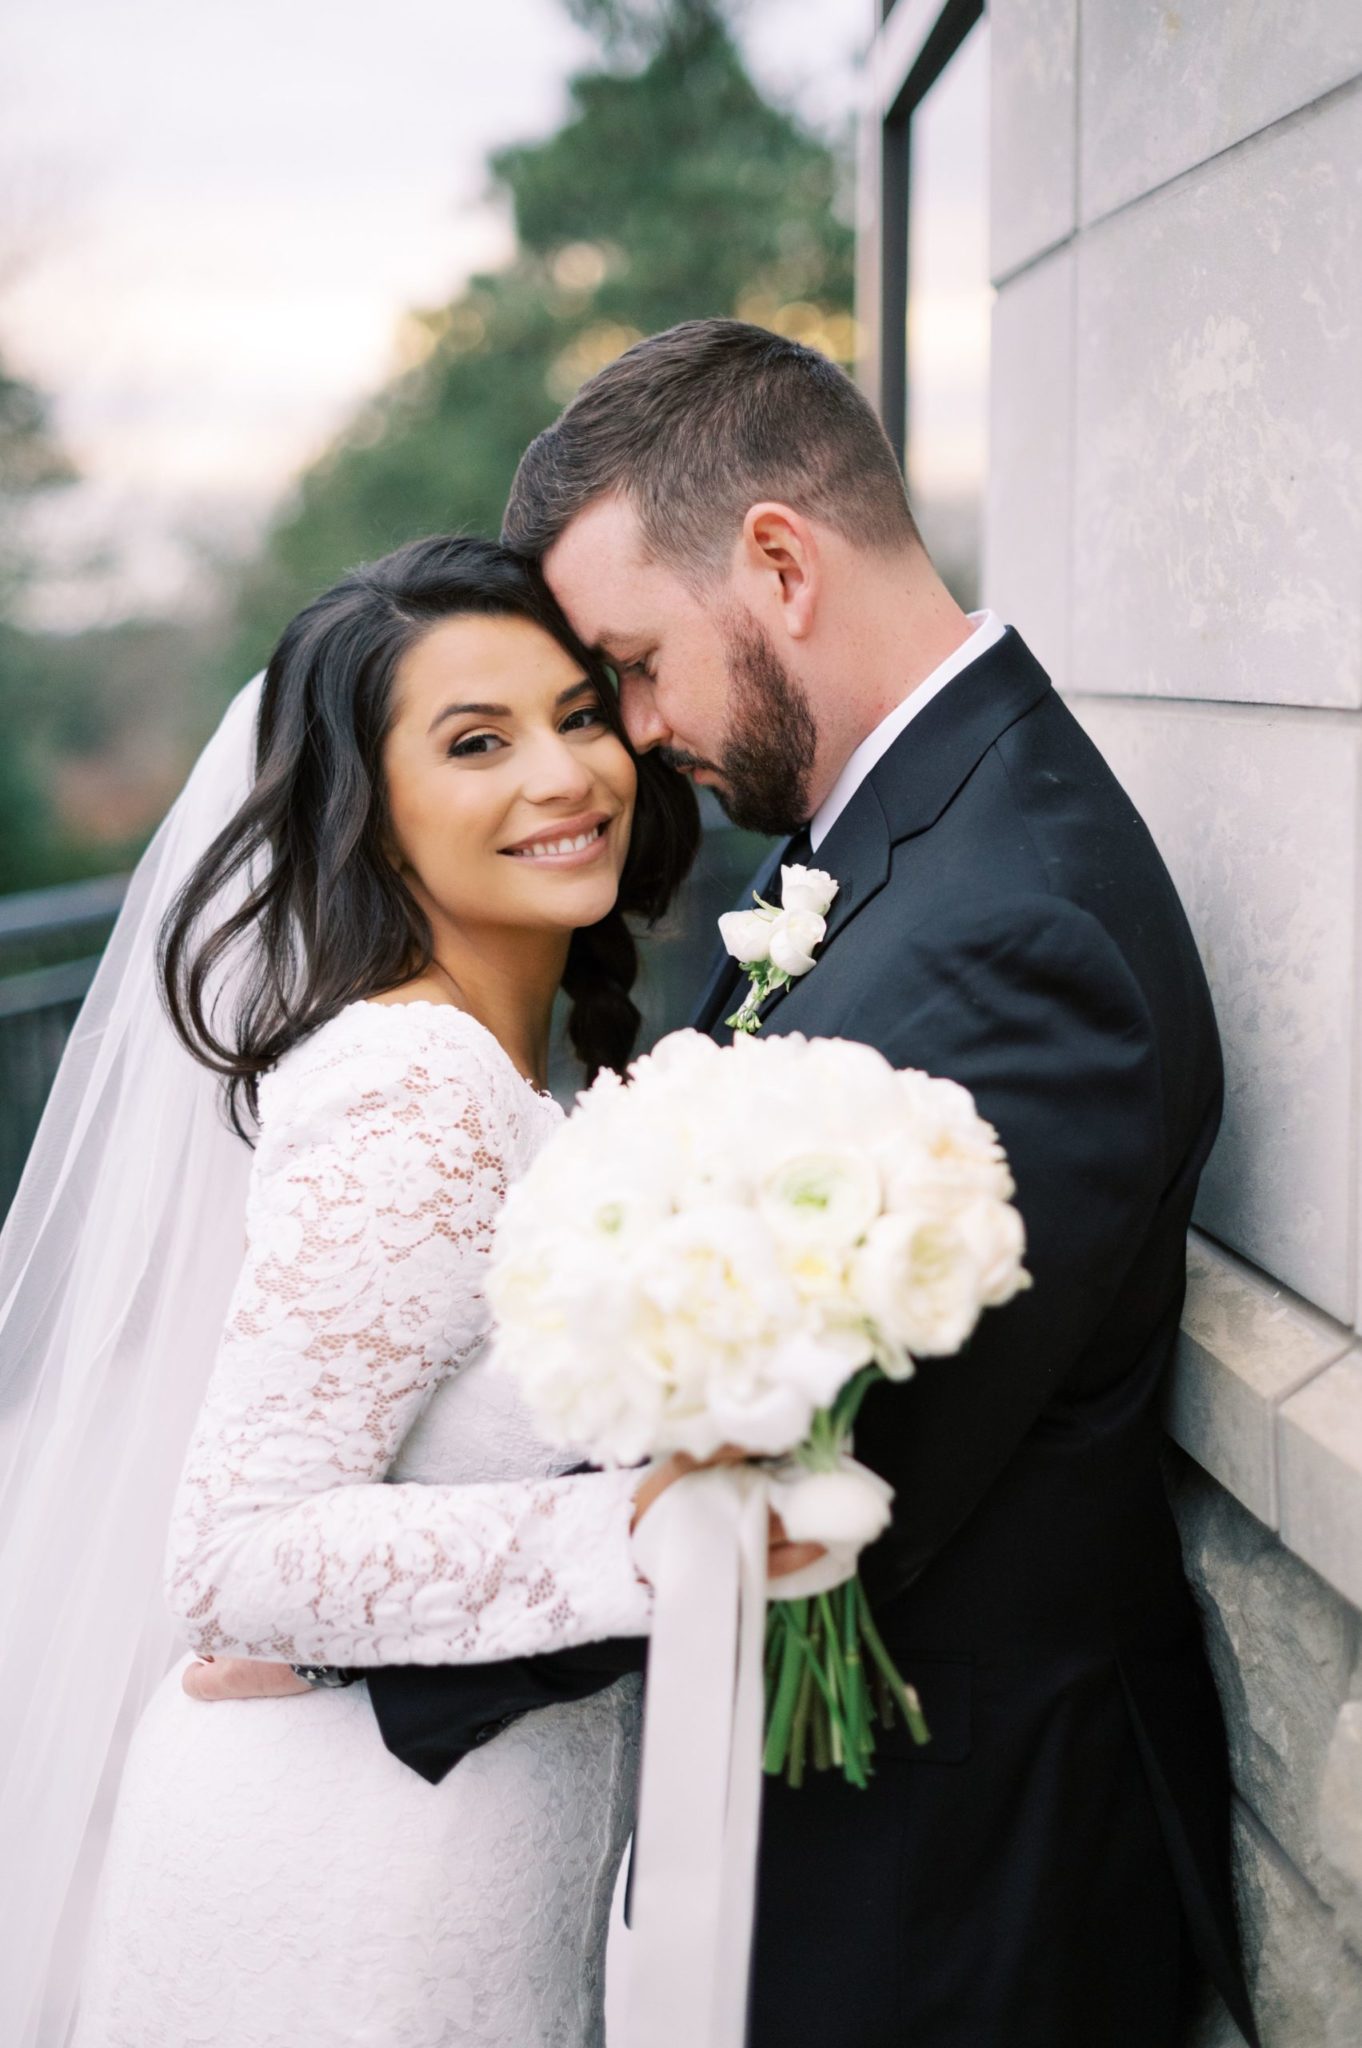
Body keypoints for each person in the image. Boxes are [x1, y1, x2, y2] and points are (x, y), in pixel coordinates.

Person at [306, 321, 1259, 2048]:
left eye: (634, 665)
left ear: (776, 562)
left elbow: (821, 1476)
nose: (639, 734)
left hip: (954, 1896)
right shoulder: (907, 836)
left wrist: (352, 1644)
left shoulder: (1014, 925)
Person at [0, 532, 752, 2048]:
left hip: (458, 1831)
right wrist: (679, 1527)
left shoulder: (499, 1068)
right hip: (358, 1875)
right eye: (477, 742)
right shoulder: (413, 1085)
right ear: (369, 808)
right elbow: (240, 1553)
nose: (565, 776)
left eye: (579, 713)